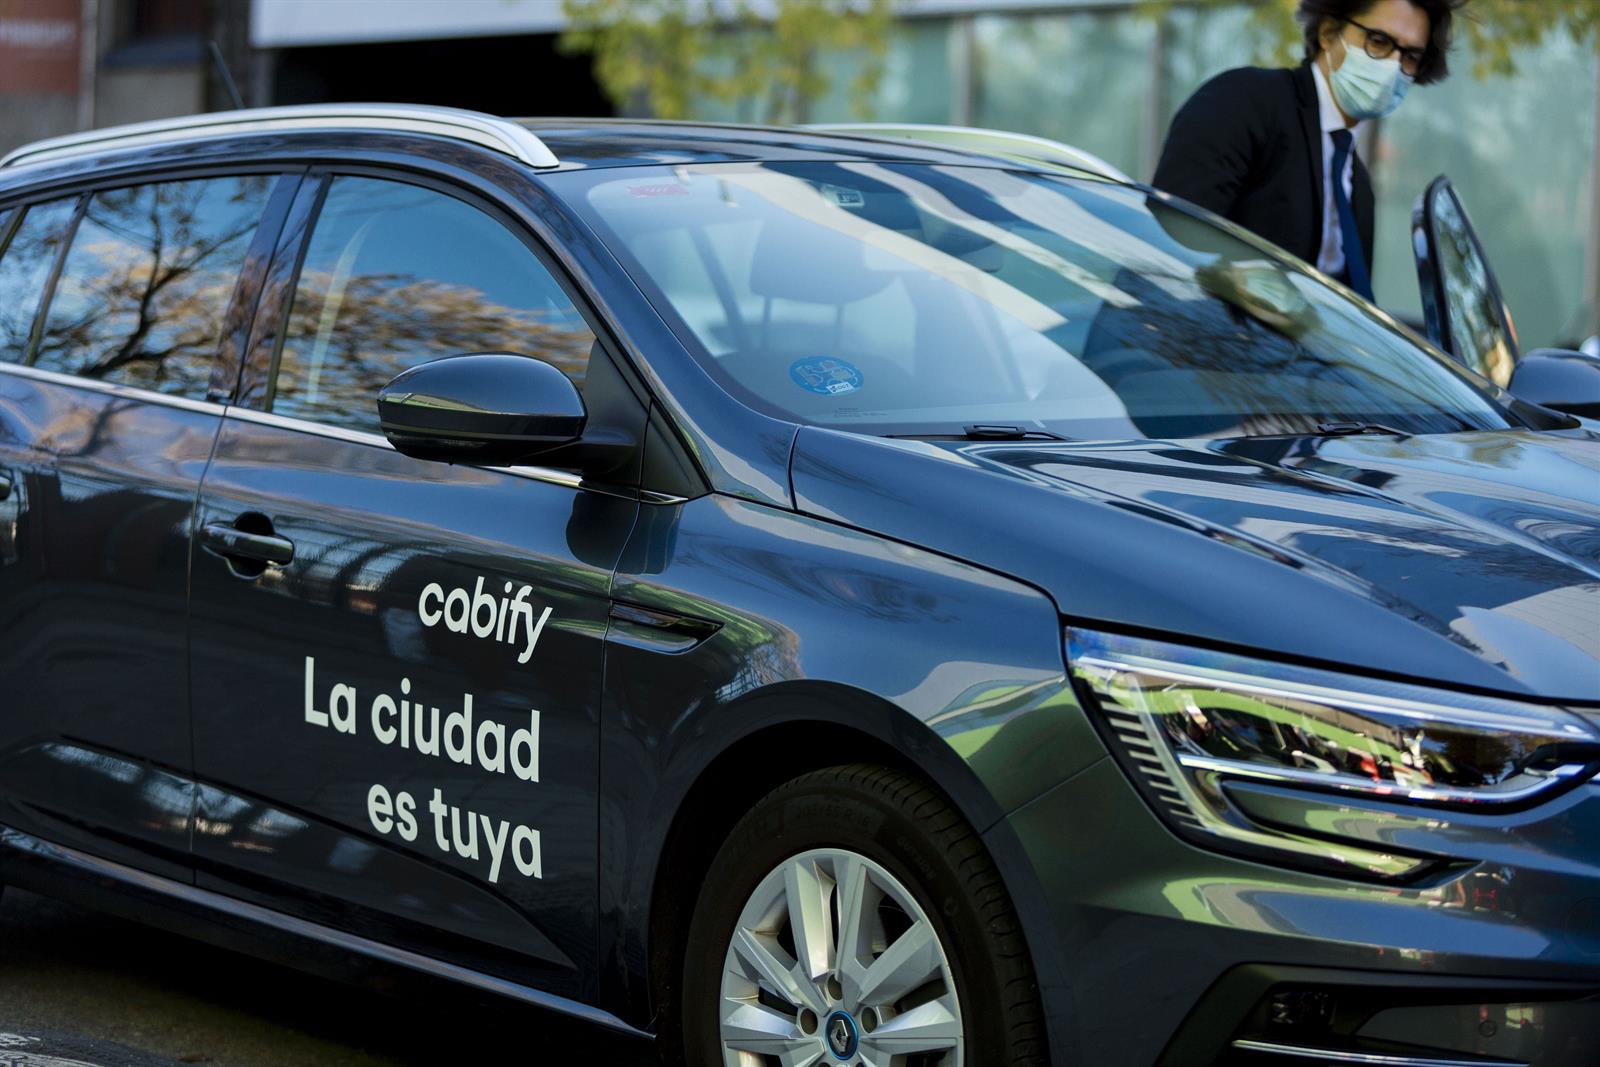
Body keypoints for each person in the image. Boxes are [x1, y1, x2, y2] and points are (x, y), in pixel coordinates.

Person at [1152, 0, 1464, 301]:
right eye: (1379, 41)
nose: (1394, 65)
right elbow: (1169, 235)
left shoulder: (1359, 189)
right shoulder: (1245, 100)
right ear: (1328, 33)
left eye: (1410, 56)